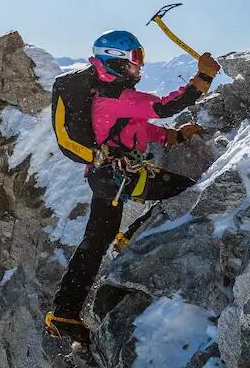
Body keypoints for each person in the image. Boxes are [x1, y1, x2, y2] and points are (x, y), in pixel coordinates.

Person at [43, 29, 220, 345]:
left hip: (105, 177)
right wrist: (202, 79)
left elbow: (136, 128)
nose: (140, 65)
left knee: (96, 242)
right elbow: (164, 107)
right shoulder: (117, 97)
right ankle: (135, 236)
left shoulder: (109, 94)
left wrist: (173, 136)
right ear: (115, 62)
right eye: (135, 59)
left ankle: (64, 313)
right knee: (188, 192)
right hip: (119, 177)